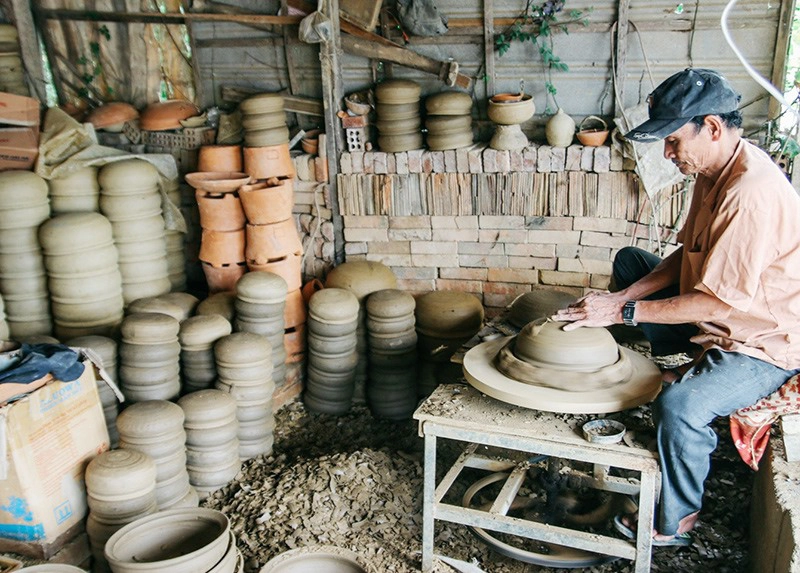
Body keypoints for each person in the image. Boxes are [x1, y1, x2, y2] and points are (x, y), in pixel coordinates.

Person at [553, 68, 800, 546]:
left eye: (671, 139)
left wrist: (620, 315)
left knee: (680, 407)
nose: (667, 153)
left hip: (761, 341)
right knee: (631, 264)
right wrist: (623, 296)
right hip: (715, 316)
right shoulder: (713, 169)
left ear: (710, 127)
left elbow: (715, 301)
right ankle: (674, 362)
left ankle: (679, 518)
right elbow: (684, 255)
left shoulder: (751, 194)